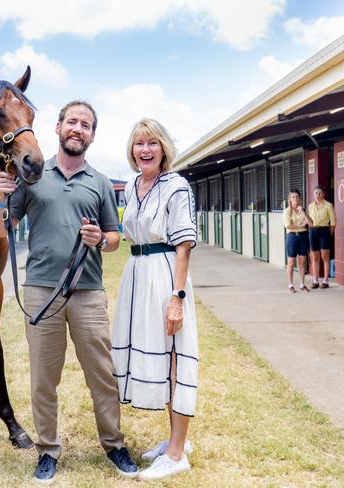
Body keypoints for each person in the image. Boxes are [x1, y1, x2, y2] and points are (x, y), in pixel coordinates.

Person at [0, 100, 138, 483]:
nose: (78, 128)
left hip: (88, 291)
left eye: (85, 124)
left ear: (91, 135)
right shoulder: (32, 175)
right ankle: (47, 450)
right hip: (41, 291)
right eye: (71, 122)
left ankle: (114, 444)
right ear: (57, 127)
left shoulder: (101, 182)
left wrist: (99, 239)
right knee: (43, 377)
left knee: (102, 374)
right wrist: (1, 197)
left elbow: (114, 238)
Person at [111, 118, 198, 481]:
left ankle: (178, 453)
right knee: (161, 358)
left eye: (152, 143)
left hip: (164, 275)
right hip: (136, 272)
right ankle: (173, 440)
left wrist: (176, 297)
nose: (145, 150)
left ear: (163, 148)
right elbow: (125, 232)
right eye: (138, 144)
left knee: (176, 358)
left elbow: (183, 245)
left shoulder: (176, 186)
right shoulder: (132, 185)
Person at [282, 190, 313, 293]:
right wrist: (300, 226)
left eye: (297, 197)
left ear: (300, 199)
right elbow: (288, 225)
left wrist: (303, 212)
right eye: (293, 197)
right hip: (292, 237)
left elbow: (310, 223)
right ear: (290, 199)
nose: (295, 199)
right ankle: (290, 285)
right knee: (291, 262)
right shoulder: (287, 211)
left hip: (303, 237)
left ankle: (302, 284)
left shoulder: (302, 210)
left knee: (302, 262)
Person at [308, 186, 336, 289]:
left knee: (325, 256)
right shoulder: (310, 206)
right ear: (313, 194)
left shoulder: (328, 205)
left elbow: (333, 221)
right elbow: (309, 219)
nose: (318, 195)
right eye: (316, 193)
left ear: (323, 194)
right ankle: (315, 280)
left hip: (324, 230)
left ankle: (325, 280)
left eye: (320, 193)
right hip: (313, 230)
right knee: (315, 256)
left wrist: (330, 232)